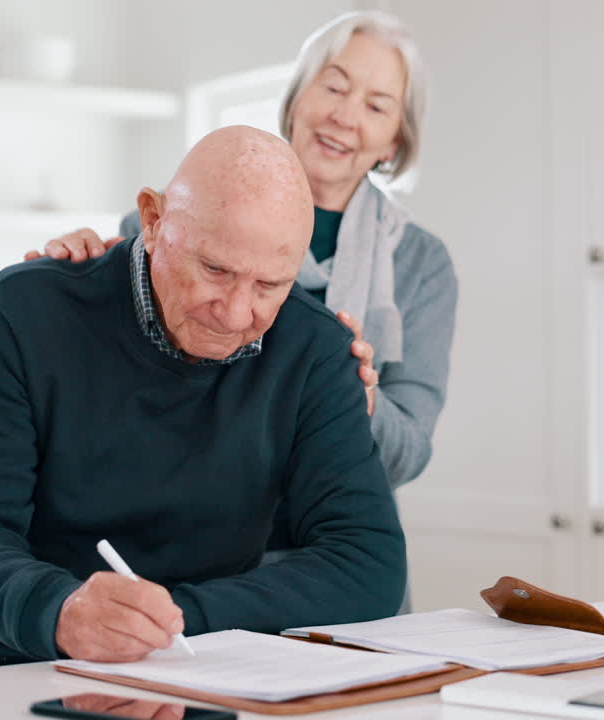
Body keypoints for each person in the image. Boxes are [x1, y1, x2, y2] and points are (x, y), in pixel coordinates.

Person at [0, 126, 406, 671]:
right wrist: (60, 611)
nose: (238, 314)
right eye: (215, 270)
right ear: (153, 219)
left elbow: (368, 563)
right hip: (1, 663)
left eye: (270, 285)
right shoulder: (26, 310)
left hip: (191, 667)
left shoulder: (315, 349)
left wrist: (171, 619)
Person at [27, 10, 457, 499]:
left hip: (331, 542)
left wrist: (356, 397)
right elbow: (99, 384)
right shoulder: (177, 216)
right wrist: (80, 275)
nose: (345, 116)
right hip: (180, 530)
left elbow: (409, 456)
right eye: (334, 88)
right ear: (297, 97)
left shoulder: (422, 265)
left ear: (395, 141)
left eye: (377, 107)